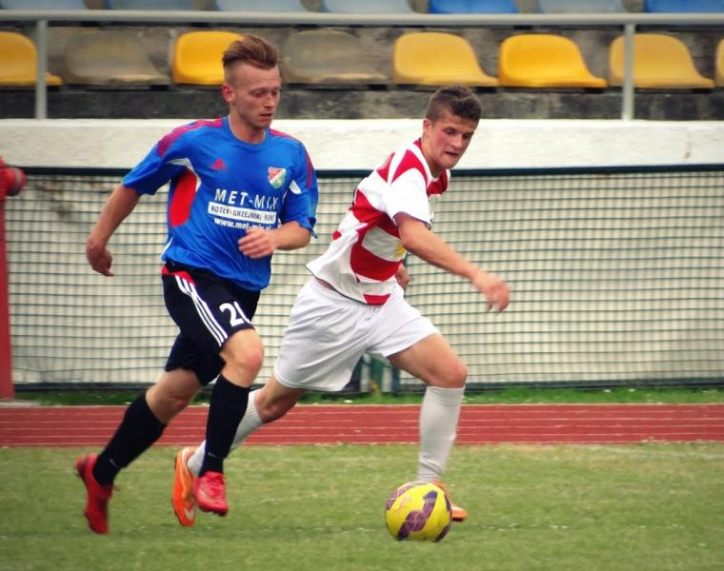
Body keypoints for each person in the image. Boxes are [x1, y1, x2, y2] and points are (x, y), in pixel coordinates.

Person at [171, 84, 510, 528]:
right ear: (427, 127)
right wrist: (476, 274)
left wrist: (389, 263)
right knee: (273, 403)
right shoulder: (409, 169)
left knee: (450, 374)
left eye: (466, 136)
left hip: (381, 300)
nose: (458, 143)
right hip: (333, 305)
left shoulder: (432, 172)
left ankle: (429, 487)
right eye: (450, 131)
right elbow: (413, 234)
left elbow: (370, 219)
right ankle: (194, 463)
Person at [75, 34, 318, 534]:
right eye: (258, 92)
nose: (269, 101)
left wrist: (275, 238)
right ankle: (210, 473)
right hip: (190, 275)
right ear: (229, 93)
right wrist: (98, 239)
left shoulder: (291, 154)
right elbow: (133, 185)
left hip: (242, 290)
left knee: (173, 395)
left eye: (275, 91)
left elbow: (302, 227)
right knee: (247, 356)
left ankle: (101, 473)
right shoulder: (192, 142)